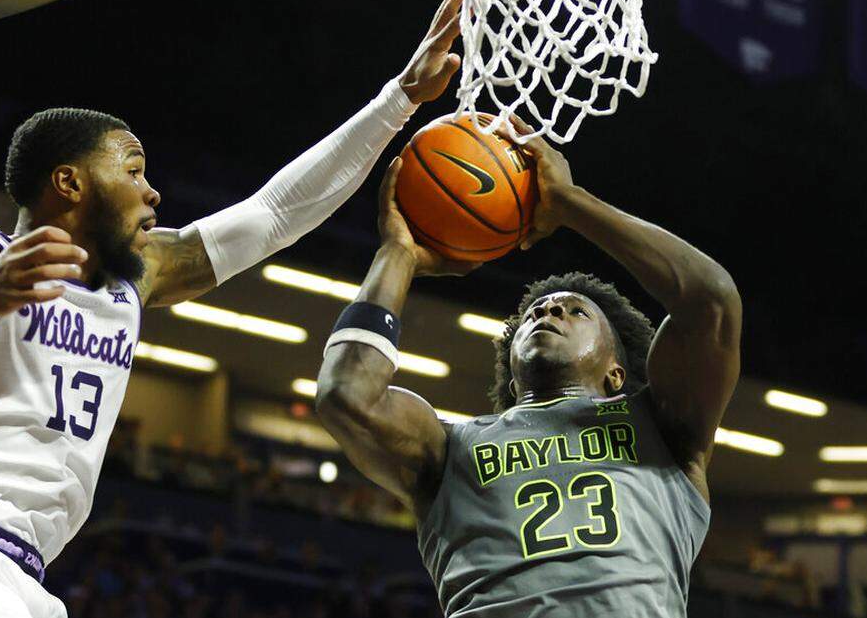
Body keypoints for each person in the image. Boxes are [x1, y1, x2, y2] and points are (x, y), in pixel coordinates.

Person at [0, 0, 466, 616]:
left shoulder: (135, 276)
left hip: (21, 574)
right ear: (69, 183)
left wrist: (401, 98)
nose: (152, 192)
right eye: (133, 171)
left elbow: (273, 214)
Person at [314, 118, 742, 617]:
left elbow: (711, 301)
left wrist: (569, 203)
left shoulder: (662, 427)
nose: (547, 311)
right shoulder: (450, 445)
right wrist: (399, 256)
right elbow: (345, 394)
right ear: (511, 369)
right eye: (535, 312)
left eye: (576, 311)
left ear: (616, 373)